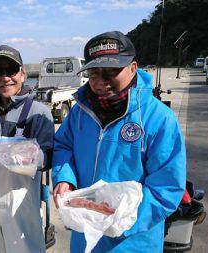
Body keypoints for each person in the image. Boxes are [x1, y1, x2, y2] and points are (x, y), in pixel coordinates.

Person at [52, 31, 186, 252]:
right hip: (85, 236)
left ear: (133, 68)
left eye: (111, 72)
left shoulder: (159, 118)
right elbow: (63, 146)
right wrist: (64, 179)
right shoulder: (78, 112)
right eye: (94, 73)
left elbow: (168, 186)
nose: (101, 82)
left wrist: (119, 221)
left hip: (133, 241)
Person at [0, 45, 54, 253]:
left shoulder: (38, 112)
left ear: (22, 75)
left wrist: (28, 157)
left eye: (11, 71)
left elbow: (48, 157)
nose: (5, 78)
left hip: (22, 202)